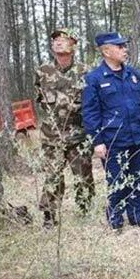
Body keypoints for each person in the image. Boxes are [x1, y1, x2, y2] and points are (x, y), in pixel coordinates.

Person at [82, 32, 140, 233]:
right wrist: (97, 141)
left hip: (136, 137)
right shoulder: (94, 79)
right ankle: (115, 220)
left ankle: (137, 217)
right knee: (116, 181)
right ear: (106, 51)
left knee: (137, 178)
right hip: (113, 140)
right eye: (119, 46)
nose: (124, 49)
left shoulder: (133, 74)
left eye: (124, 46)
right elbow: (90, 112)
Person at [35, 28, 94, 228]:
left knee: (83, 176)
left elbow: (92, 103)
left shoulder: (85, 71)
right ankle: (49, 217)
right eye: (55, 40)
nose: (58, 42)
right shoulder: (42, 71)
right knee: (52, 176)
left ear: (73, 46)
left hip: (78, 135)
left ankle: (85, 210)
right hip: (51, 136)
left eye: (63, 39)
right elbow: (40, 99)